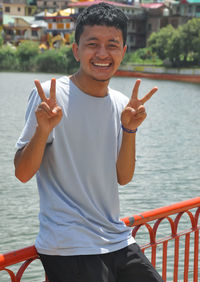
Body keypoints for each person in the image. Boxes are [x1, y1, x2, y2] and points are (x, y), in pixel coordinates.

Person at [14, 3, 163, 282]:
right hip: (69, 244)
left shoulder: (120, 104)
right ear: (76, 50)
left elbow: (124, 177)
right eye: (92, 44)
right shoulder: (51, 95)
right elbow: (22, 173)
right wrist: (43, 130)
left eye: (112, 45)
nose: (103, 54)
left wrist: (130, 131)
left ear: (123, 52)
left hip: (116, 238)